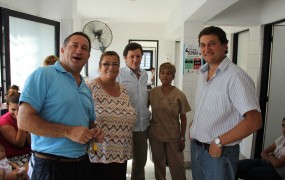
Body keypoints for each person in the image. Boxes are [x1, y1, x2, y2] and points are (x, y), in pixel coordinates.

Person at [17, 32, 104, 180]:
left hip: (82, 163)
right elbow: (24, 120)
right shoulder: (43, 75)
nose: (79, 50)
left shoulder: (85, 87)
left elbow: (89, 121)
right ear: (62, 50)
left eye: (84, 48)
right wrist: (68, 131)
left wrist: (94, 131)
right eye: (74, 46)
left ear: (88, 56)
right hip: (50, 166)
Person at [189, 26, 262, 180]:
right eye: (203, 45)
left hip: (219, 153)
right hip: (197, 148)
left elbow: (254, 121)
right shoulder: (203, 73)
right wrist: (195, 125)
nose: (206, 49)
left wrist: (218, 142)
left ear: (225, 45)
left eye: (212, 43)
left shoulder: (236, 77)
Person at [87, 51, 137, 180]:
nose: (111, 67)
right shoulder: (90, 88)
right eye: (106, 64)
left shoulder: (124, 89)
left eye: (115, 64)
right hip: (99, 155)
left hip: (121, 154)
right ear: (99, 67)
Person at [149, 62, 191, 180]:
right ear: (159, 75)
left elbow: (183, 117)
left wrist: (182, 137)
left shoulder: (179, 95)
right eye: (162, 73)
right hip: (156, 135)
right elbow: (144, 110)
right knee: (159, 166)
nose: (165, 76)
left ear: (173, 76)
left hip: (174, 136)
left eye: (168, 73)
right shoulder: (152, 93)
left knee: (177, 166)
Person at [117, 42, 151, 180]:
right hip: (123, 125)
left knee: (140, 161)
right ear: (125, 58)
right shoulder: (118, 73)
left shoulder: (144, 74)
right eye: (131, 56)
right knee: (120, 161)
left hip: (142, 124)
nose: (135, 60)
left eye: (138, 56)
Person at [0, 85, 31, 169]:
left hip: (29, 154)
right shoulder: (3, 122)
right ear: (7, 107)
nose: (17, 112)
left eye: (20, 109)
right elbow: (20, 143)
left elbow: (32, 142)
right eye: (13, 109)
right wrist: (20, 121)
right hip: (13, 159)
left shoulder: (28, 116)